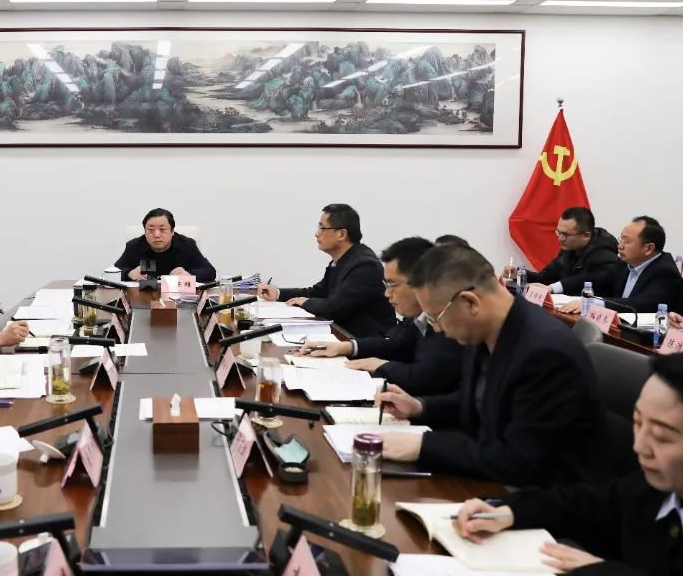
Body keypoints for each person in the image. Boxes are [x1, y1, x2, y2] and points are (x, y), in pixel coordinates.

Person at [454, 351, 683, 576]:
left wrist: (601, 571)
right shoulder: (659, 486)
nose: (639, 446)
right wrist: (509, 511)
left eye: (661, 437)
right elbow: (588, 504)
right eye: (637, 422)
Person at [375, 244, 608, 487]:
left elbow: (519, 461)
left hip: (544, 496)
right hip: (496, 478)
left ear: (470, 303)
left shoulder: (544, 353)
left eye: (435, 317)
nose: (437, 329)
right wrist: (419, 407)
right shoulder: (486, 330)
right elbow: (477, 401)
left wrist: (424, 446)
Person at [298, 237, 463, 395]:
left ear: (421, 282)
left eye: (393, 284)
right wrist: (344, 347)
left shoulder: (448, 321)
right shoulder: (421, 317)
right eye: (386, 284)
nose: (387, 293)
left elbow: (425, 377)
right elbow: (398, 346)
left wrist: (380, 365)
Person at [258, 203, 393, 338]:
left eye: (322, 228)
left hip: (368, 343)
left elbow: (335, 307)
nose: (316, 234)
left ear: (341, 234)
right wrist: (278, 293)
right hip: (344, 336)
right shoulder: (343, 260)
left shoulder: (365, 266)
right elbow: (318, 293)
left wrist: (305, 301)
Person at [560, 216, 683, 314]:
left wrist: (594, 302)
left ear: (648, 248)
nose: (620, 246)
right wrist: (555, 287)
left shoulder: (665, 272)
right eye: (621, 239)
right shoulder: (625, 263)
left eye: (627, 241)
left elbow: (639, 304)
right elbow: (599, 279)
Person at [504, 207, 618, 294]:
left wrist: (553, 288)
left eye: (565, 234)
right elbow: (548, 276)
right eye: (558, 232)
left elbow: (591, 280)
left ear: (586, 236)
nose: (560, 238)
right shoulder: (569, 247)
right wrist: (519, 274)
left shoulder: (604, 252)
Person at [114, 208, 216, 282]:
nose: (156, 235)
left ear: (172, 231)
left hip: (179, 299)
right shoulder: (134, 246)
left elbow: (210, 271)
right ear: (144, 231)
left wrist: (189, 275)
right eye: (151, 230)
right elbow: (114, 271)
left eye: (162, 229)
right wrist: (129, 273)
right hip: (143, 299)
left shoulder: (187, 245)